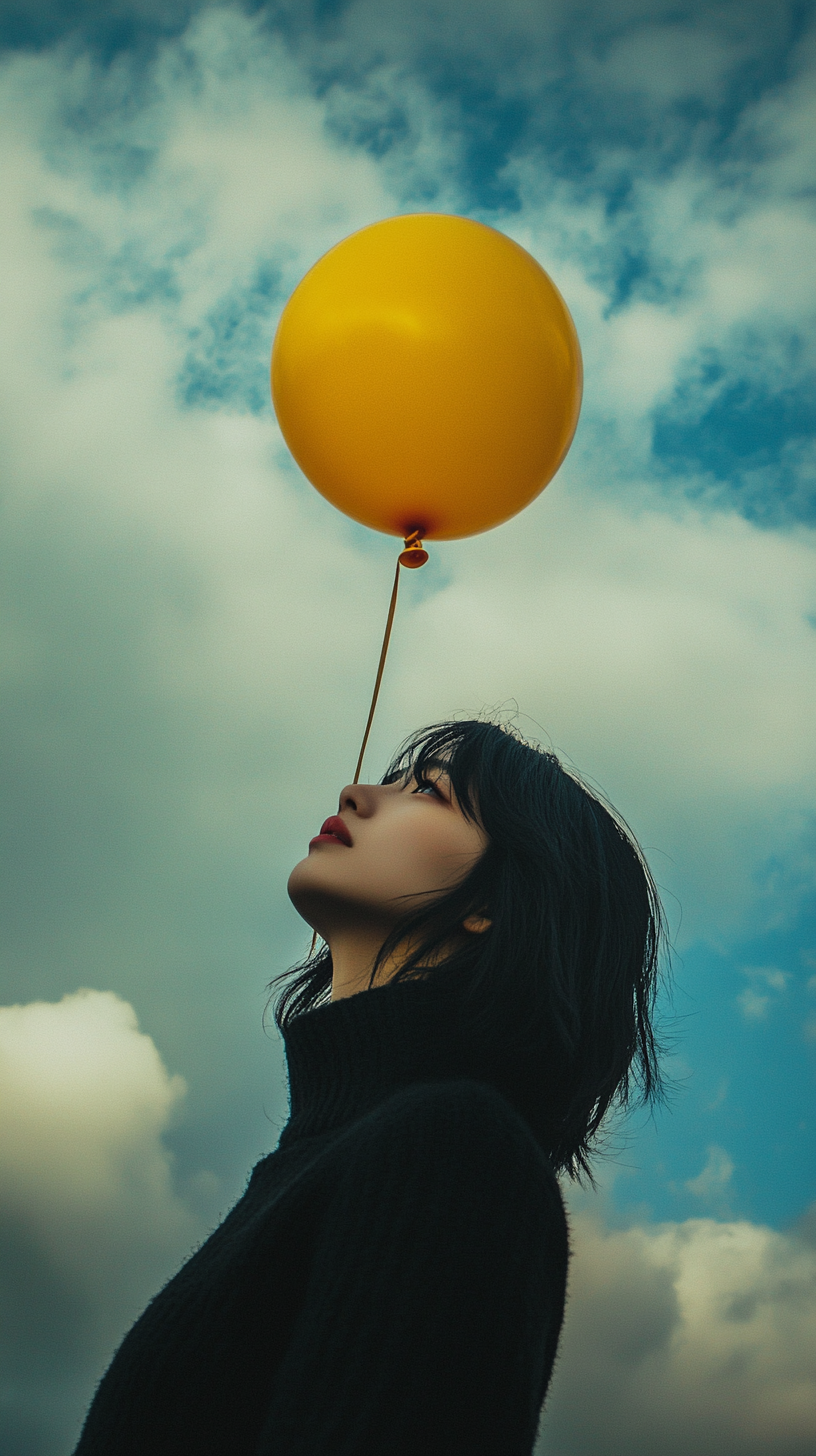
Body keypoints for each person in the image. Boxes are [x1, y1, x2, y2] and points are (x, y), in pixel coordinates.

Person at [73, 718, 665, 1456]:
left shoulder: (455, 1151)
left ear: (496, 901)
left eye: (429, 792)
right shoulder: (317, 1164)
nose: (356, 795)